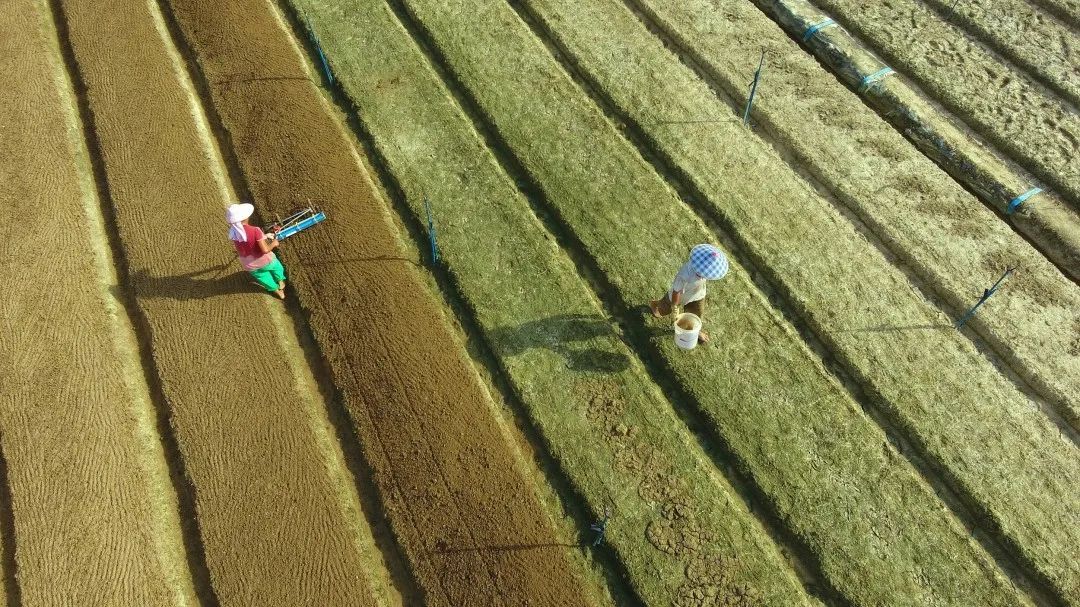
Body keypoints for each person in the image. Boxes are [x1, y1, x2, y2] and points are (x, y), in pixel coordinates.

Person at [650, 243, 729, 344]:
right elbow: (677, 291)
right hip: (681, 296)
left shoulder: (703, 272)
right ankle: (656, 307)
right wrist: (675, 306)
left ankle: (694, 331)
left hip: (697, 295)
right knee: (665, 308)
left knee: (696, 314)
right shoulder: (685, 274)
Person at [226, 202, 287, 299]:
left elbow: (242, 246)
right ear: (245, 217)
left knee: (265, 279)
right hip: (266, 261)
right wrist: (274, 243)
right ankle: (280, 281)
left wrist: (264, 236)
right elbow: (265, 250)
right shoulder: (255, 230)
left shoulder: (233, 234)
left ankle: (279, 293)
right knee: (277, 267)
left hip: (250, 266)